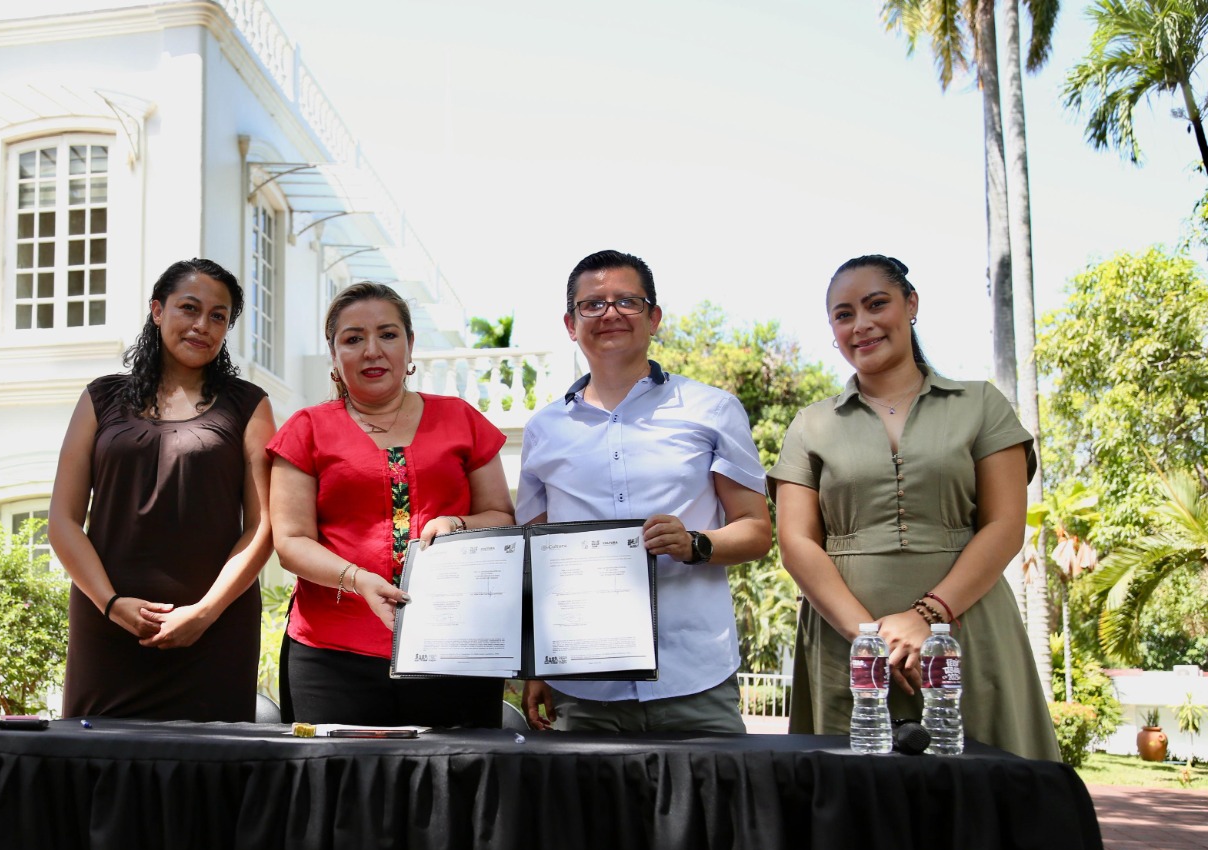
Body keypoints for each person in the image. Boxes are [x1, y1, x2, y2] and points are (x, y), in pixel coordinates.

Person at [770, 253, 1058, 760]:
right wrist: (870, 641)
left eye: (876, 304)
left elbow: (1005, 524)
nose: (861, 325)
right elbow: (795, 543)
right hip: (846, 647)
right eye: (843, 314)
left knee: (981, 792)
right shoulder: (810, 424)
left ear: (911, 305)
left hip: (966, 631)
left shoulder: (981, 404)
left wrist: (929, 616)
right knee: (855, 807)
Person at [518, 250, 772, 732]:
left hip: (694, 675)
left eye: (627, 301)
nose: (610, 313)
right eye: (592, 305)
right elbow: (536, 557)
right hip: (583, 682)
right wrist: (535, 662)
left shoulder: (713, 409)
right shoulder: (543, 429)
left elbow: (758, 531)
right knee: (588, 811)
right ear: (570, 325)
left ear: (654, 317)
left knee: (710, 808)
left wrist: (696, 543)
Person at [268, 281, 514, 727]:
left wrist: (457, 523)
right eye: (353, 338)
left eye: (387, 334)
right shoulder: (306, 430)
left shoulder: (461, 420)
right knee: (342, 790)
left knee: (452, 787)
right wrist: (356, 578)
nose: (371, 350)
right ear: (334, 355)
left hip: (455, 646)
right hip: (331, 655)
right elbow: (289, 541)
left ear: (410, 344)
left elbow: (501, 517)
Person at [49, 258, 275, 721]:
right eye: (189, 308)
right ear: (157, 310)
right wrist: (111, 605)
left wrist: (204, 613)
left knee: (209, 779)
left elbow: (263, 527)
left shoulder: (249, 405)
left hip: (214, 631)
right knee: (100, 772)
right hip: (108, 627)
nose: (202, 325)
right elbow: (63, 520)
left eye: (218, 316)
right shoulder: (101, 397)